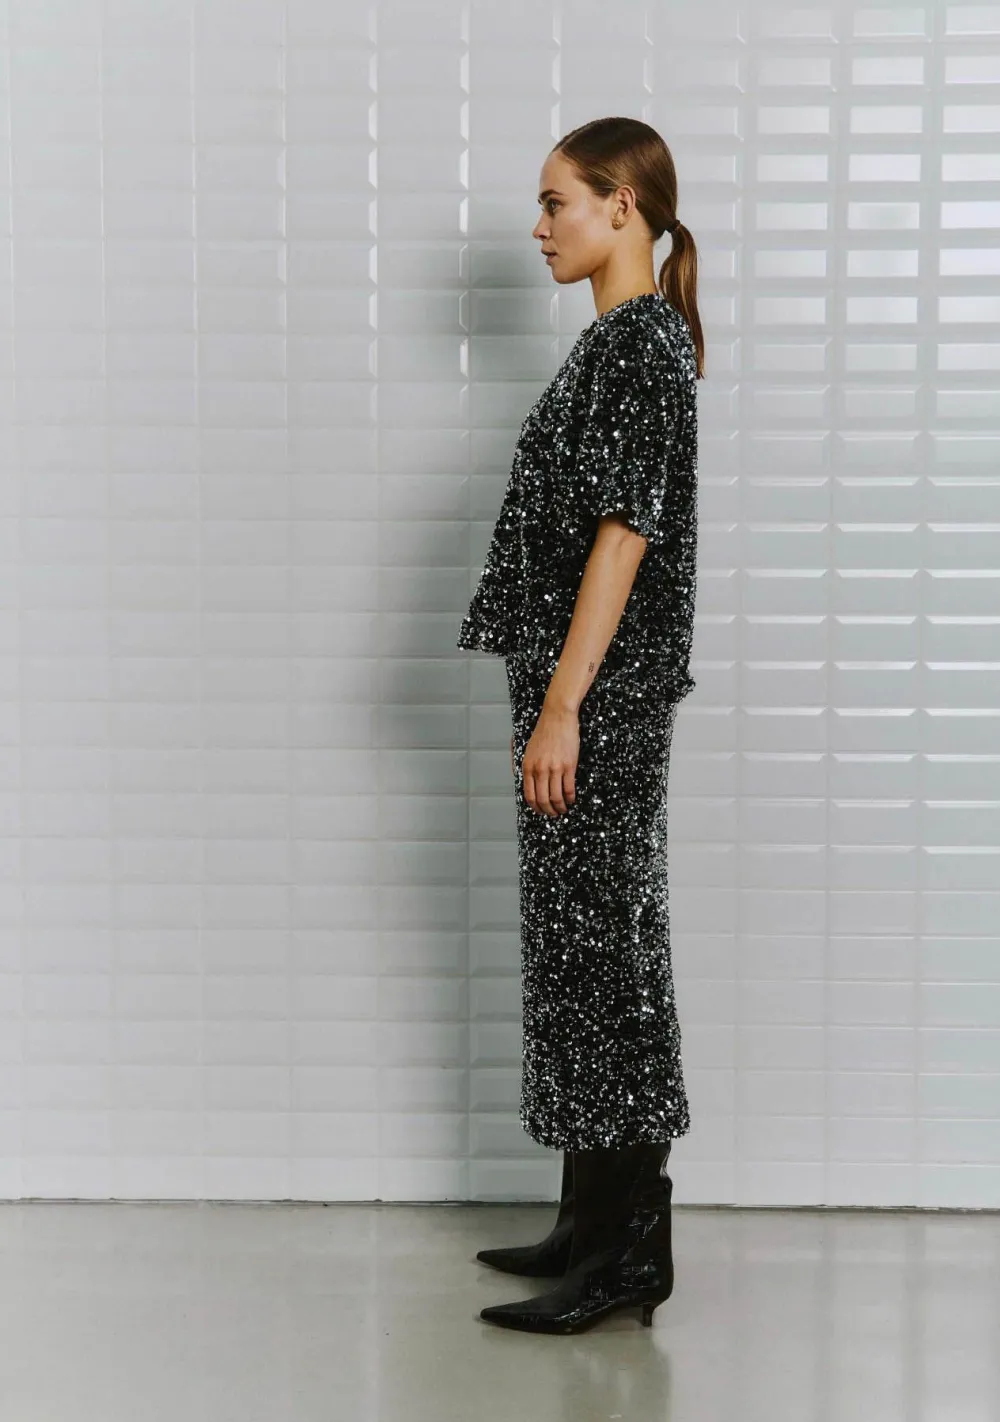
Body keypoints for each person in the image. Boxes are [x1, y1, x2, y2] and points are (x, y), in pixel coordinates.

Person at [457, 115, 705, 1334]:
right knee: (578, 954)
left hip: (595, 700)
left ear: (622, 206)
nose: (540, 226)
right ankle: (588, 1219)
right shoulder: (617, 344)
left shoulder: (641, 346)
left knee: (611, 962)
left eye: (557, 202)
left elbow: (623, 536)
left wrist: (563, 707)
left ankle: (630, 1253)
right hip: (577, 692)